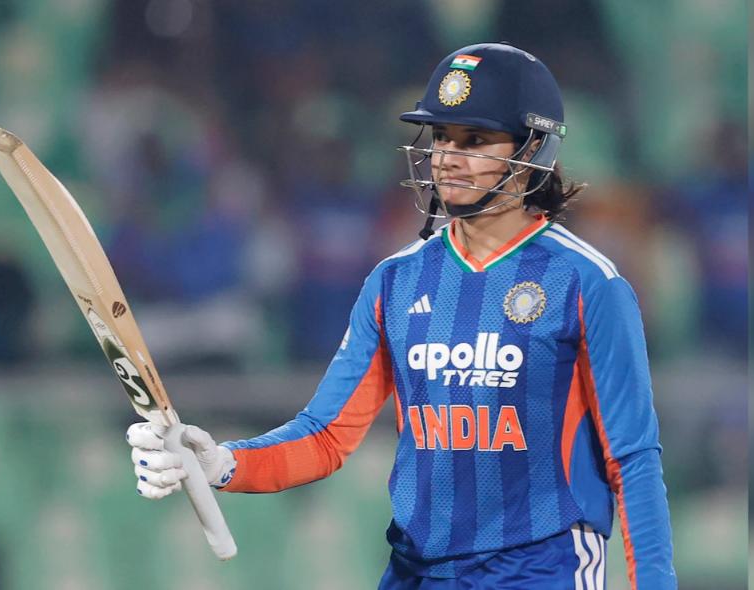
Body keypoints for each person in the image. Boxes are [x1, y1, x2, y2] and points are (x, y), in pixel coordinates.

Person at [126, 43, 677, 589]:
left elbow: (631, 458)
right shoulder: (396, 281)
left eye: (474, 140)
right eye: (441, 137)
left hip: (539, 569)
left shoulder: (587, 283)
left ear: (533, 147)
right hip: (419, 572)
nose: (447, 158)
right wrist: (224, 462)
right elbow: (325, 437)